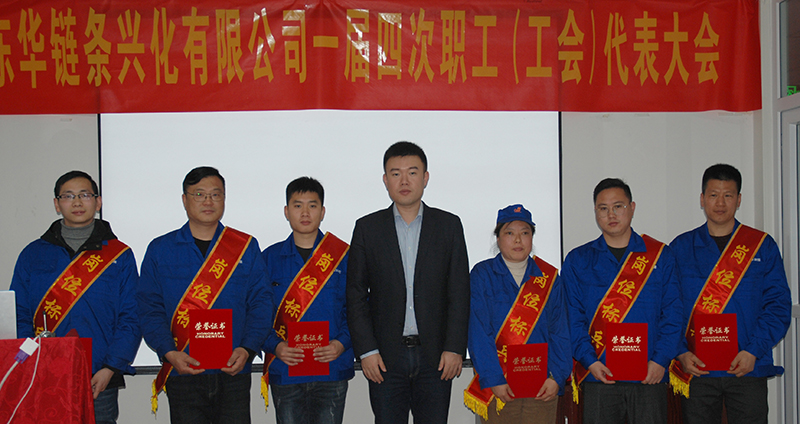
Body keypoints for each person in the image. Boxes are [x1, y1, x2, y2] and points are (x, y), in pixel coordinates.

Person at [346, 141, 470, 424]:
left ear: (425, 178)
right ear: (385, 180)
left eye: (412, 172)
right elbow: (355, 294)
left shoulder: (449, 225)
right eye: (395, 173)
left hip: (436, 357)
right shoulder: (367, 228)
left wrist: (454, 347)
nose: (404, 181)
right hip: (385, 358)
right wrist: (367, 351)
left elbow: (459, 292)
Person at [137, 166, 272, 424]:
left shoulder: (245, 246)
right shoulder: (161, 249)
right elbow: (149, 307)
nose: (208, 201)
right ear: (184, 199)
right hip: (183, 370)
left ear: (224, 199)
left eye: (215, 194)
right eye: (199, 194)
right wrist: (169, 352)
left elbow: (261, 303)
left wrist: (247, 348)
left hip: (233, 370)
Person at [10, 170, 140, 424]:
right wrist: (34, 361)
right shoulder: (33, 254)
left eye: (85, 195)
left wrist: (110, 368)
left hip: (99, 376)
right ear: (57, 204)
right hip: (44, 373)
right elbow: (19, 312)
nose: (77, 202)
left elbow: (132, 317)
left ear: (98, 202)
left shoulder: (119, 255)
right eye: (68, 196)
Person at [668, 164, 791, 424]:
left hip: (747, 366)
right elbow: (667, 307)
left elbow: (778, 305)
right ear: (702, 199)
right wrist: (680, 352)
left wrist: (753, 351)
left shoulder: (761, 246)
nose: (720, 203)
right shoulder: (680, 248)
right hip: (697, 368)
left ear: (739, 199)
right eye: (713, 195)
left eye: (728, 195)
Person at [562, 178, 682, 424]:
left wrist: (660, 360)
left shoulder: (660, 256)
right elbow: (572, 318)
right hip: (600, 375)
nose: (611, 214)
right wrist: (589, 362)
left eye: (618, 206)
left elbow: (673, 314)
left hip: (649, 374)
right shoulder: (578, 260)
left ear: (632, 207)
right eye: (603, 208)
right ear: (595, 212)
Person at [465, 204, 571, 424]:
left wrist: (556, 377)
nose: (518, 240)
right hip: (500, 385)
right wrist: (494, 378)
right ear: (498, 238)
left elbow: (560, 331)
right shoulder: (482, 275)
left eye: (525, 233)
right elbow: (478, 332)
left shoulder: (549, 278)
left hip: (542, 386)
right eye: (509, 233)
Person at [262, 176, 353, 424]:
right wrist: (275, 346)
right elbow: (257, 312)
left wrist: (341, 344)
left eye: (312, 205)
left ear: (322, 212)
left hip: (332, 368)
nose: (305, 213)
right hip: (286, 368)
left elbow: (358, 308)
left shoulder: (343, 256)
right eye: (297, 205)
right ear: (286, 211)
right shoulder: (268, 258)